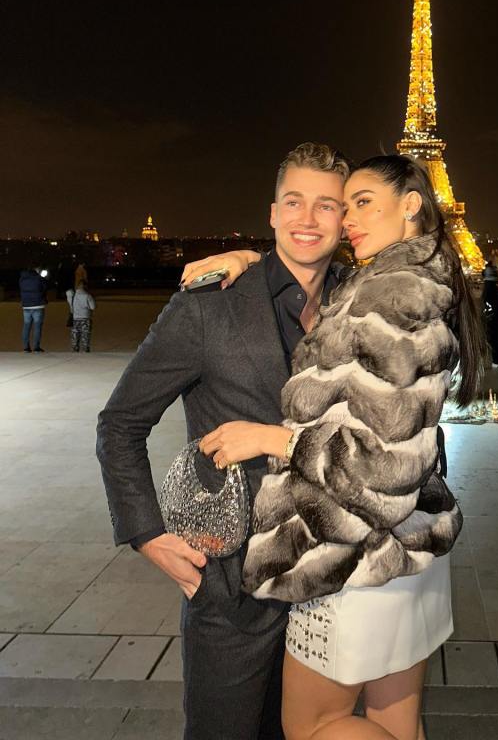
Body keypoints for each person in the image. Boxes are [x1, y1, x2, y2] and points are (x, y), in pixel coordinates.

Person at [183, 154, 484, 740]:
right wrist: (253, 261)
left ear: (413, 203)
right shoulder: (413, 283)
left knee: (313, 726)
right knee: (394, 725)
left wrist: (270, 437)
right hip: (404, 556)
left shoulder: (392, 300)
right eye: (345, 206)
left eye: (363, 202)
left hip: (351, 559)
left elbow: (382, 461)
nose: (347, 218)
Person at [97, 143, 351, 740]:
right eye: (294, 202)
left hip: (333, 582)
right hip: (232, 582)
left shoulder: (359, 306)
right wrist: (146, 534)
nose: (308, 219)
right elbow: (121, 422)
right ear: (271, 213)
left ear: (347, 220)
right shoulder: (208, 308)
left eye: (326, 206)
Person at [481, 262, 498, 370]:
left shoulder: (488, 286)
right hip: (492, 318)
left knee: (492, 340)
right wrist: (492, 314)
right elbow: (488, 302)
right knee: (494, 340)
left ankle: (496, 362)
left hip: (490, 317)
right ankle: (496, 362)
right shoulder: (491, 287)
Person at [19, 265, 47, 352]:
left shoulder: (22, 279)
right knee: (37, 326)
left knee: (26, 326)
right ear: (36, 270)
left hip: (26, 305)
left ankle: (26, 347)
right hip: (38, 304)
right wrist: (43, 278)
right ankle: (36, 347)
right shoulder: (38, 278)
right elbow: (44, 288)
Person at [66, 282, 97, 352]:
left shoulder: (72, 295)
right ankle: (85, 349)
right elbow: (93, 307)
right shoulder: (88, 296)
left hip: (75, 318)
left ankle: (75, 349)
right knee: (85, 336)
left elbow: (68, 293)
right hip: (85, 318)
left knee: (75, 336)